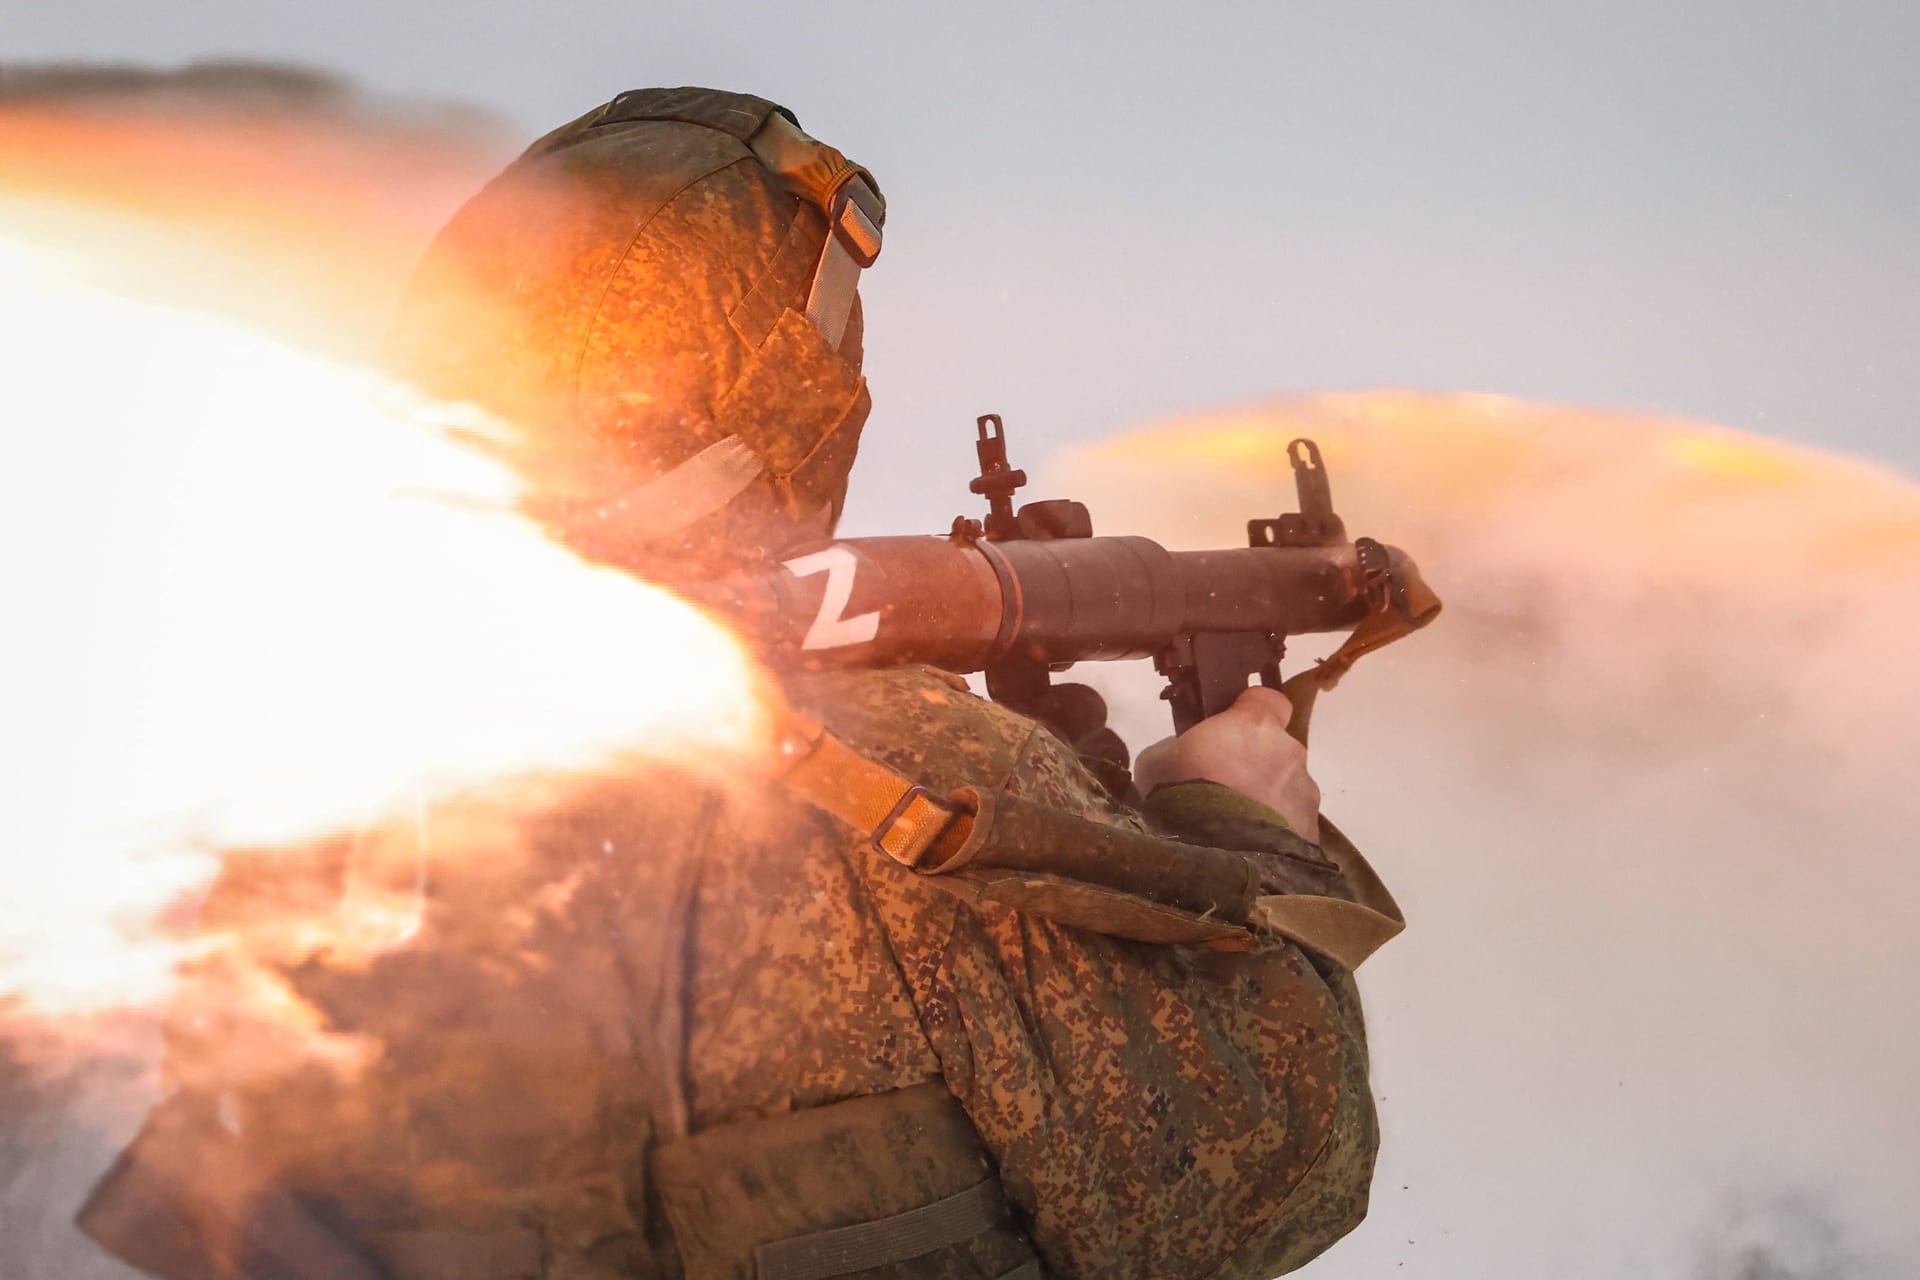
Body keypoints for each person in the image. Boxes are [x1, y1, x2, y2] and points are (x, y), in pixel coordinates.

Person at [80, 88, 1397, 1279]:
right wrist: (1242, 818)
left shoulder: (286, 766)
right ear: (794, 387)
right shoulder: (909, 781)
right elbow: (1284, 1165)